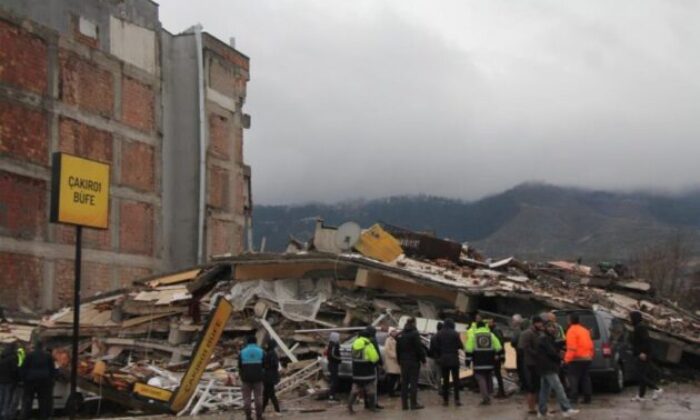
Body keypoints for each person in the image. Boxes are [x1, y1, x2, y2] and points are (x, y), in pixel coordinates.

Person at [537, 322, 580, 418]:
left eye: (553, 327)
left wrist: (561, 346)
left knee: (545, 390)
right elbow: (551, 352)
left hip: (546, 367)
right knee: (559, 388)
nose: (552, 329)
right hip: (548, 367)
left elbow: (554, 348)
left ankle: (542, 411)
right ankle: (566, 409)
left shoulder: (549, 338)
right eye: (549, 327)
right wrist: (560, 357)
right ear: (545, 328)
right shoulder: (544, 338)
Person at [465, 320, 502, 405]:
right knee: (488, 376)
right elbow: (499, 347)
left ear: (477, 327)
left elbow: (468, 349)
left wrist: (467, 362)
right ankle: (490, 394)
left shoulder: (474, 336)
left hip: (478, 362)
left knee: (480, 378)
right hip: (490, 361)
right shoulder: (491, 335)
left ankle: (485, 398)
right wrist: (496, 355)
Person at [629, 311, 663, 401]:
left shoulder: (640, 327)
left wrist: (642, 352)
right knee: (642, 374)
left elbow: (646, 341)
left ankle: (656, 389)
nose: (630, 320)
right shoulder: (639, 326)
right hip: (643, 353)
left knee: (639, 375)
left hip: (643, 354)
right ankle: (641, 396)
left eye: (631, 318)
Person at [20, 340, 56, 420]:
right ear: (43, 346)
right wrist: (52, 379)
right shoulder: (48, 356)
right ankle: (43, 416)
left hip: (30, 380)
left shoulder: (29, 355)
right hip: (44, 381)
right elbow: (52, 369)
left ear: (35, 346)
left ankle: (25, 416)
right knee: (43, 400)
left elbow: (24, 368)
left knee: (28, 400)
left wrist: (23, 379)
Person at [396, 317, 426, 410]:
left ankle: (404, 405)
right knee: (413, 383)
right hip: (413, 361)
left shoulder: (401, 335)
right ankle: (413, 404)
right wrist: (423, 359)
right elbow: (419, 348)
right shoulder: (414, 334)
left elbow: (397, 350)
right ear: (413, 323)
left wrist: (399, 361)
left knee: (404, 383)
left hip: (404, 362)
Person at [348, 328, 380, 413]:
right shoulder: (368, 344)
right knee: (371, 390)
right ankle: (372, 407)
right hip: (367, 372)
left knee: (354, 390)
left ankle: (350, 406)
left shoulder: (354, 344)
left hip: (356, 372)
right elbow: (374, 358)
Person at [433, 319, 463, 406]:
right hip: (454, 359)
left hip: (444, 360)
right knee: (456, 380)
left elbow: (436, 347)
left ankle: (445, 400)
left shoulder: (439, 334)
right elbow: (460, 346)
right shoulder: (455, 333)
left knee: (445, 381)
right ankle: (457, 400)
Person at [564, 313, 593, 405]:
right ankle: (587, 398)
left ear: (570, 320)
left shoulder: (571, 331)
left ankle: (573, 398)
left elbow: (572, 348)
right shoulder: (584, 330)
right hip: (587, 358)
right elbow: (590, 345)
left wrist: (566, 359)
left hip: (576, 359)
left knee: (573, 379)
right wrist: (590, 356)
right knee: (585, 378)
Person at [519, 315, 544, 415]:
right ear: (535, 323)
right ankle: (531, 407)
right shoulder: (527, 333)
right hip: (530, 363)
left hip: (538, 363)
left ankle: (538, 407)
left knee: (538, 386)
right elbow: (524, 348)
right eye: (539, 323)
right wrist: (536, 354)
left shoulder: (539, 333)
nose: (541, 325)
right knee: (532, 387)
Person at [238, 336, 265, 420]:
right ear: (256, 342)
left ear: (247, 342)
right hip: (258, 378)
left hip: (246, 378)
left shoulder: (242, 352)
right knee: (259, 397)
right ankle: (259, 416)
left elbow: (239, 366)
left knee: (246, 398)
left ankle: (248, 417)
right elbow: (264, 365)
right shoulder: (261, 351)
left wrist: (242, 375)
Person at [365, 326, 383, 410]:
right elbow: (377, 353)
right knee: (373, 385)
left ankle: (367, 403)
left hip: (364, 366)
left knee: (366, 385)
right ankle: (374, 403)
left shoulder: (363, 340)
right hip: (372, 366)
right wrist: (380, 363)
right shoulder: (373, 340)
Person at [487, 319, 507, 398]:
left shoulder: (495, 331)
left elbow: (499, 343)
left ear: (493, 323)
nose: (488, 324)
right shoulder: (495, 330)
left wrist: (497, 354)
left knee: (497, 373)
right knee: (497, 372)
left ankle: (501, 391)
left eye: (490, 322)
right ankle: (500, 390)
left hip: (497, 355)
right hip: (499, 354)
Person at [0, 342, 19, 420]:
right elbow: (14, 370)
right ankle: (5, 415)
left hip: (1, 381)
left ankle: (1, 414)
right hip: (9, 381)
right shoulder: (13, 358)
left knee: (1, 398)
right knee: (8, 398)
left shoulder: (2, 358)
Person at [262, 339, 281, 414]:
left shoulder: (269, 354)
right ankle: (262, 410)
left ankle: (277, 410)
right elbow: (275, 365)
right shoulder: (273, 353)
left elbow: (265, 364)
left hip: (268, 376)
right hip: (272, 376)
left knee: (270, 394)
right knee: (266, 394)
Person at [511, 314, 527, 391]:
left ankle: (524, 386)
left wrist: (513, 345)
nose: (512, 322)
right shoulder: (525, 329)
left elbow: (513, 341)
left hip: (520, 352)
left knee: (521, 369)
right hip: (525, 352)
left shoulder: (517, 330)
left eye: (513, 320)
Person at [383, 328, 401, 398]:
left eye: (395, 331)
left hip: (395, 362)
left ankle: (393, 391)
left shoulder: (396, 339)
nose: (395, 332)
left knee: (395, 377)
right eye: (393, 331)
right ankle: (391, 392)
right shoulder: (388, 340)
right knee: (392, 377)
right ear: (390, 332)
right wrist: (395, 356)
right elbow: (387, 350)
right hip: (392, 361)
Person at [428, 322, 443, 396]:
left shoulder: (433, 337)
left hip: (436, 358)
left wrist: (432, 356)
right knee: (445, 374)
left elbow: (431, 349)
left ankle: (439, 389)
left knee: (438, 374)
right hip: (444, 357)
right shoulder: (444, 337)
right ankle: (445, 388)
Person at [326, 332, 342, 401]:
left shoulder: (331, 345)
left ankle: (332, 395)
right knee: (334, 380)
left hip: (332, 364)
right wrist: (340, 359)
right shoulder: (333, 345)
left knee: (334, 380)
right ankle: (331, 396)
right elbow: (332, 355)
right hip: (333, 364)